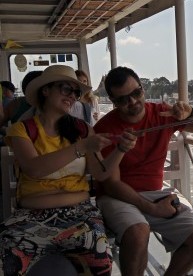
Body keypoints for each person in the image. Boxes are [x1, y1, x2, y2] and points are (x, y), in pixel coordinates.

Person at [0, 65, 137, 275]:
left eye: (76, 92)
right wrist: (80, 147)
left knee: (101, 260)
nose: (73, 96)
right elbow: (34, 169)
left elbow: (100, 173)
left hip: (80, 214)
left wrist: (120, 150)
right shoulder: (23, 129)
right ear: (46, 90)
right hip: (30, 216)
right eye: (66, 89)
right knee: (5, 258)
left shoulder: (82, 129)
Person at [94, 66, 193, 276]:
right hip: (117, 196)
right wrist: (153, 209)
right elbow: (111, 184)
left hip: (156, 191)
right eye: (123, 99)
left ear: (143, 89)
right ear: (114, 102)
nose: (133, 102)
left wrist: (190, 112)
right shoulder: (104, 129)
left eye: (136, 93)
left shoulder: (163, 113)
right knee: (138, 232)